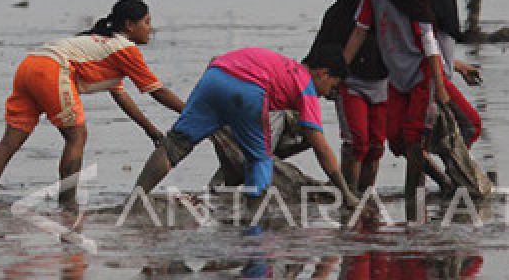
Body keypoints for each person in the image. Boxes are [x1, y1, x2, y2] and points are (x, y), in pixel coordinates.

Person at [0, 0, 184, 208]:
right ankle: (67, 205)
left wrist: (150, 130)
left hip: (29, 66)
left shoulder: (104, 44)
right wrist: (191, 112)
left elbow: (121, 96)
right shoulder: (125, 49)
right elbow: (157, 91)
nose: (151, 29)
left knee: (10, 141)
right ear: (130, 26)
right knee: (77, 136)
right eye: (147, 22)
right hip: (52, 69)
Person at [133, 44, 359, 209]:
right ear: (323, 73)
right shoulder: (306, 87)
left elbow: (221, 59)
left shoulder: (282, 64)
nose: (329, 93)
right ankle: (255, 214)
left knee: (176, 143)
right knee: (259, 159)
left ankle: (135, 199)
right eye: (333, 85)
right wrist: (346, 193)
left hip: (215, 75)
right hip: (247, 90)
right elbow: (320, 146)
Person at [342, 0, 450, 218]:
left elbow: (429, 42)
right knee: (394, 138)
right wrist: (341, 69)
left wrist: (440, 86)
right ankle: (442, 181)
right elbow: (359, 33)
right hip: (395, 76)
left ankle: (415, 202)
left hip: (420, 74)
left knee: (414, 137)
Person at [308, 0, 387, 192]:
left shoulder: (385, 16)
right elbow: (319, 53)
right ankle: (349, 193)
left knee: (376, 145)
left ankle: (366, 193)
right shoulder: (338, 16)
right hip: (350, 83)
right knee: (356, 142)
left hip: (382, 83)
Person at [420, 0, 483, 146]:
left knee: (429, 139)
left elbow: (437, 46)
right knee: (471, 125)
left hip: (439, 77)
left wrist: (458, 66)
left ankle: (449, 171)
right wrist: (440, 84)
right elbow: (425, 45)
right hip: (435, 81)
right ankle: (458, 173)